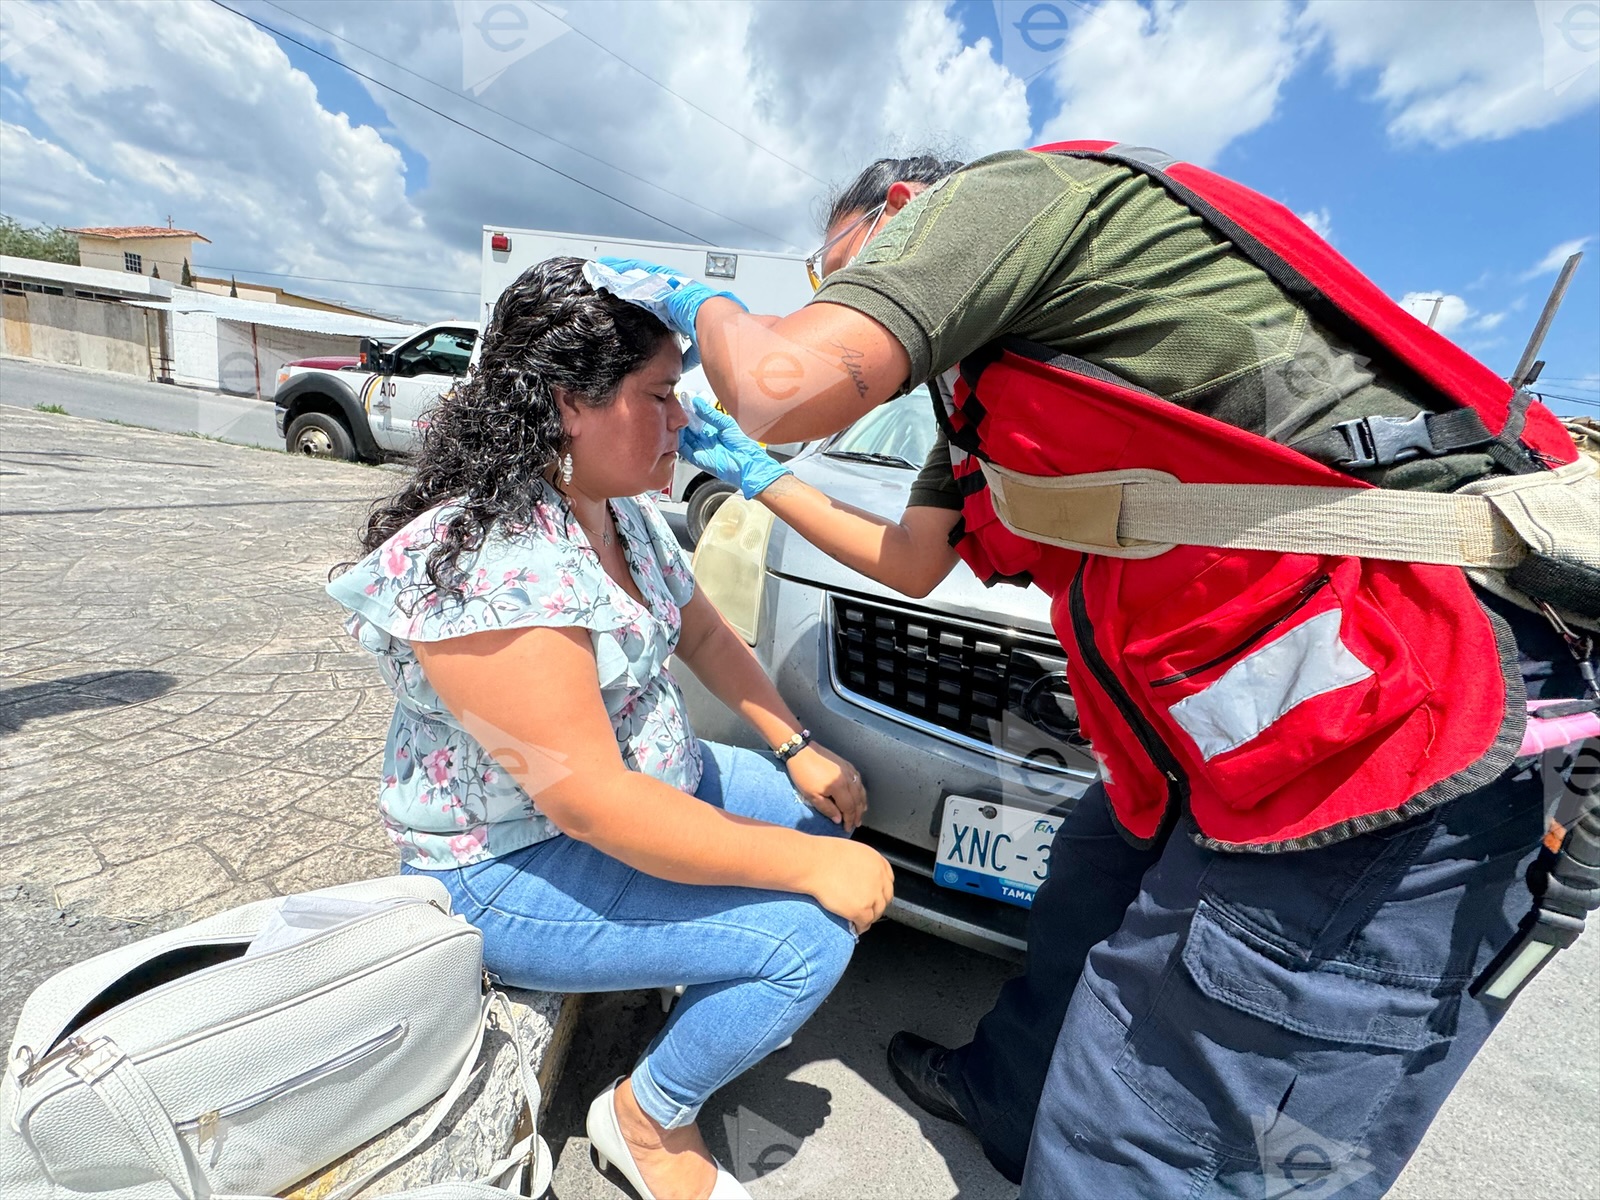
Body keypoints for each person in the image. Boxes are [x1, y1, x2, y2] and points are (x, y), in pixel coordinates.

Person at [600, 147, 1597, 1197]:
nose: (839, 300)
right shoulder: (982, 389)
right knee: (1083, 900)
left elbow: (777, 384)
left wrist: (705, 302)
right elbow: (911, 560)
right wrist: (758, 479)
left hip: (1391, 739)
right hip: (1196, 747)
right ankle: (1006, 1095)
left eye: (836, 271)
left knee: (1162, 1124)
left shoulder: (1019, 197)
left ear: (902, 212)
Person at [327, 257, 894, 1200]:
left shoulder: (616, 512)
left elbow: (704, 631)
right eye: (662, 395)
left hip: (653, 778)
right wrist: (808, 872)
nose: (685, 422)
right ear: (566, 402)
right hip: (518, 862)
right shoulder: (505, 567)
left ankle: (696, 979)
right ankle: (646, 1117)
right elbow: (587, 799)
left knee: (818, 820)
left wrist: (798, 749)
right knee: (810, 932)